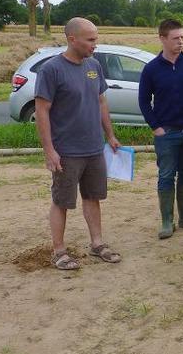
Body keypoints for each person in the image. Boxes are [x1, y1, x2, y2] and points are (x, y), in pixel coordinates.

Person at [34, 17, 122, 270]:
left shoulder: (94, 65)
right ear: (72, 39)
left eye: (96, 38)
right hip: (67, 151)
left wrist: (110, 136)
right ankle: (59, 251)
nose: (96, 44)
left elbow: (101, 102)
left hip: (94, 148)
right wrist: (49, 150)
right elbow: (42, 111)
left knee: (93, 197)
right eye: (91, 39)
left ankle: (97, 244)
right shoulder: (52, 70)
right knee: (62, 200)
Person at [138, 19, 183, 239]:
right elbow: (143, 101)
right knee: (166, 176)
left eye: (182, 37)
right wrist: (156, 127)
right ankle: (167, 221)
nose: (180, 41)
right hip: (167, 133)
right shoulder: (151, 69)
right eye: (176, 38)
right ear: (162, 38)